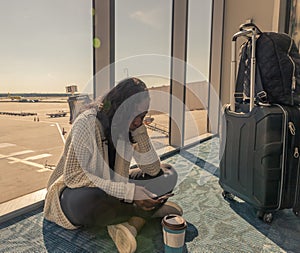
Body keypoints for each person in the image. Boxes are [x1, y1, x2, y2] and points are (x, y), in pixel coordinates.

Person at [43, 77, 183, 253]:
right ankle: (144, 212)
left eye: (143, 115)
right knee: (89, 201)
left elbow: (152, 169)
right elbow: (74, 178)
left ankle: (132, 223)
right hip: (74, 191)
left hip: (115, 186)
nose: (139, 121)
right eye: (135, 115)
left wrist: (139, 129)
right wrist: (131, 194)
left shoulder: (130, 127)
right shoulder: (87, 123)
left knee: (167, 174)